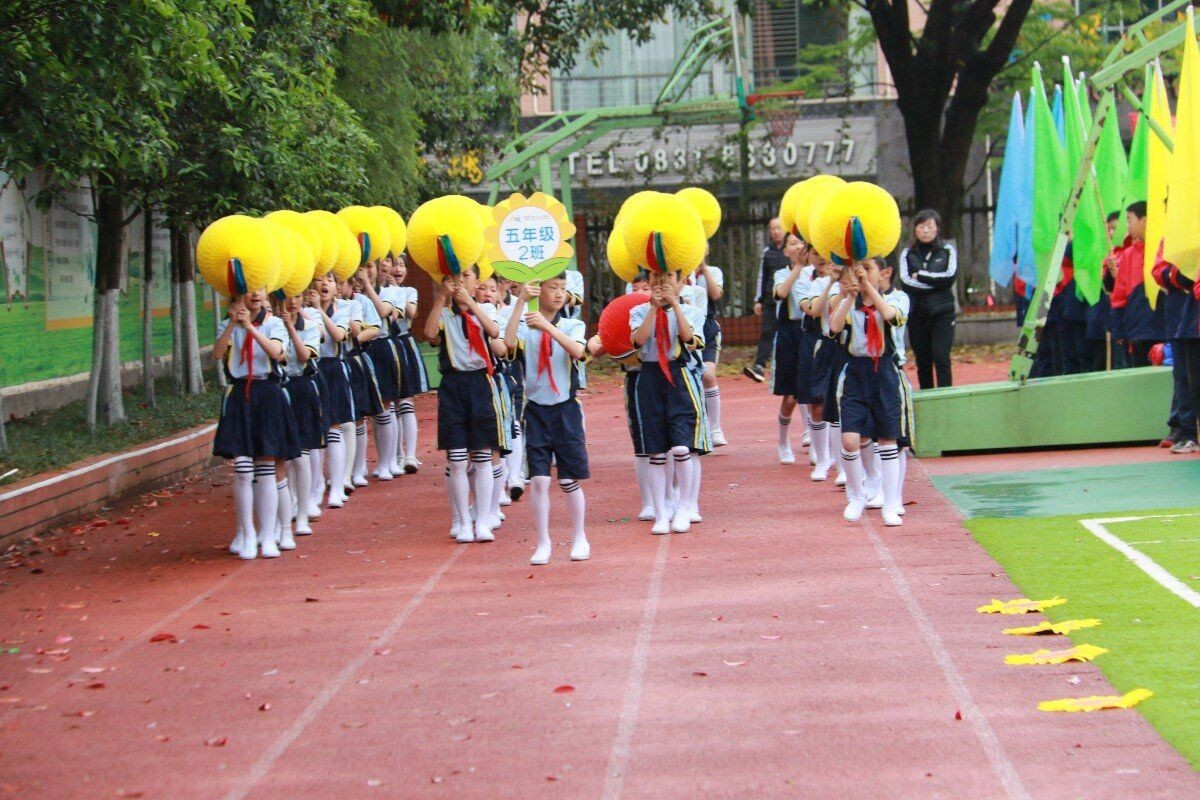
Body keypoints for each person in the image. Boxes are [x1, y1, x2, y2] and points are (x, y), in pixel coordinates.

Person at [503, 277, 591, 564]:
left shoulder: (571, 325)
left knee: (568, 480)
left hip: (566, 410)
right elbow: (505, 346)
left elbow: (578, 352)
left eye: (563, 289)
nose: (559, 294)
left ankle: (579, 537)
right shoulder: (526, 328)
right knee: (539, 481)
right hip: (536, 411)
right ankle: (543, 542)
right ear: (539, 291)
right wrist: (519, 302)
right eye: (552, 287)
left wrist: (547, 327)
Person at [212, 288, 299, 560]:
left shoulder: (274, 323)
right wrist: (233, 326)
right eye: (249, 289)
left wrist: (249, 326)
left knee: (266, 468)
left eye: (260, 288)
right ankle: (246, 532)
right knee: (241, 468)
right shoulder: (227, 324)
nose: (255, 294)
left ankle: (269, 534)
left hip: (268, 395)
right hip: (239, 395)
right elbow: (217, 354)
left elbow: (276, 353)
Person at [423, 266, 503, 544]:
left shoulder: (486, 310)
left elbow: (493, 332)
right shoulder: (445, 314)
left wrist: (471, 303)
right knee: (456, 459)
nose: (459, 282)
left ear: (476, 282)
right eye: (452, 278)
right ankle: (461, 520)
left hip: (480, 384)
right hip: (453, 386)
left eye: (465, 277)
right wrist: (441, 298)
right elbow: (429, 333)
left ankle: (482, 520)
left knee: (482, 455)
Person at [829, 258, 909, 526]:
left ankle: (889, 502)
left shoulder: (897, 299)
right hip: (856, 373)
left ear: (882, 274)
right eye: (859, 270)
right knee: (850, 439)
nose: (863, 274)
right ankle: (856, 495)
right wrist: (849, 295)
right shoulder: (852, 304)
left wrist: (868, 288)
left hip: (884, 372)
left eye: (868, 270)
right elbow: (834, 327)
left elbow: (891, 317)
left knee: (888, 438)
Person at [630, 269, 708, 534]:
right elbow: (639, 340)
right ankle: (661, 512)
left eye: (669, 278)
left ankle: (686, 507)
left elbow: (690, 340)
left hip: (680, 376)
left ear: (681, 281)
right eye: (656, 277)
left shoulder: (693, 311)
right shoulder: (639, 312)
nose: (662, 283)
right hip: (650, 378)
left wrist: (675, 305)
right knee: (656, 451)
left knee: (682, 447)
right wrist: (654, 308)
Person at [274, 290, 324, 546]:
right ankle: (287, 507)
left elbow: (304, 357)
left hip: (302, 388)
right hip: (279, 390)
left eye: (296, 296)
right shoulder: (271, 324)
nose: (292, 303)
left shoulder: (310, 324)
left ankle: (303, 513)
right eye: (286, 298)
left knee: (302, 453)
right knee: (283, 455)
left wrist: (291, 329)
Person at [899, 210, 957, 388]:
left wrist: (922, 275)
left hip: (943, 313)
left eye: (930, 226)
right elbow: (906, 282)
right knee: (923, 362)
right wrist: (935, 281)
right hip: (917, 314)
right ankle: (927, 396)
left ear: (937, 229)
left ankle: (946, 397)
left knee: (941, 357)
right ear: (915, 229)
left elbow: (949, 278)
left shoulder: (947, 250)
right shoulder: (907, 253)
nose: (925, 230)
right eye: (921, 226)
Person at [310, 272, 354, 509]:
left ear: (337, 287)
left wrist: (319, 311)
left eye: (330, 280)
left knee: (335, 428)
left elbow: (338, 335)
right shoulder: (304, 311)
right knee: (316, 433)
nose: (324, 284)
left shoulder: (342, 309)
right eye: (320, 279)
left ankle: (336, 486)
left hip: (334, 369)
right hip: (313, 371)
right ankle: (316, 486)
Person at [1151, 246, 1197, 452]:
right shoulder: (1173, 236)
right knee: (1185, 377)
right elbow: (1159, 272)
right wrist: (1179, 273)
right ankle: (1187, 432)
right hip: (1183, 318)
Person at [771, 231, 810, 464]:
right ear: (785, 251)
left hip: (809, 331)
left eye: (800, 242)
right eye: (792, 244)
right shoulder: (781, 273)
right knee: (790, 395)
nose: (798, 246)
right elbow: (780, 293)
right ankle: (783, 441)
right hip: (789, 333)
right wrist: (798, 267)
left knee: (811, 391)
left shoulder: (815, 273)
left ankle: (815, 440)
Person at [1110, 202, 1165, 367]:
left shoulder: (1162, 248)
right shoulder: (1128, 254)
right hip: (1138, 329)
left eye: (1129, 220)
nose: (1127, 226)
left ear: (1145, 220)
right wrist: (1117, 327)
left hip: (1162, 328)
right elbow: (1119, 294)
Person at [385, 255, 426, 475]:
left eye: (402, 265)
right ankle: (395, 455)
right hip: (382, 347)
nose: (397, 269)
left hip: (402, 344)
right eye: (393, 265)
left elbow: (411, 312)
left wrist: (394, 296)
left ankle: (410, 454)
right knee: (388, 404)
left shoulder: (409, 291)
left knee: (406, 401)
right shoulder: (376, 292)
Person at [690, 250, 727, 446]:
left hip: (707, 327)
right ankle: (699, 426)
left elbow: (717, 294)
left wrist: (703, 270)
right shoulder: (678, 272)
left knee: (708, 375)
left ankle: (715, 428)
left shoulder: (713, 271)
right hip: (684, 327)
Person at [745, 217, 788, 382]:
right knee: (767, 332)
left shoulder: (792, 250)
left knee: (787, 333)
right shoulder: (767, 252)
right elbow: (762, 277)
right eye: (772, 229)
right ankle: (760, 366)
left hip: (788, 301)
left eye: (778, 228)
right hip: (770, 300)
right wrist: (758, 300)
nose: (776, 232)